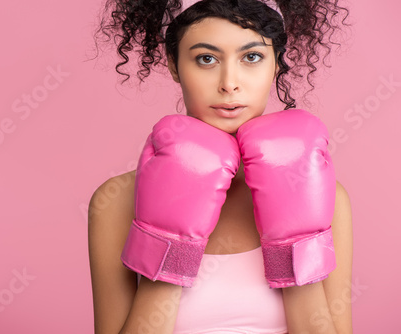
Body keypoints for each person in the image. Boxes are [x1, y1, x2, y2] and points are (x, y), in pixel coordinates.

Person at [88, 0, 353, 333]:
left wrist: (293, 247)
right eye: (206, 59)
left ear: (275, 66)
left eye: (252, 57)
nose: (229, 82)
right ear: (174, 65)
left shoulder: (326, 194)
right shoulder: (116, 200)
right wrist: (171, 248)